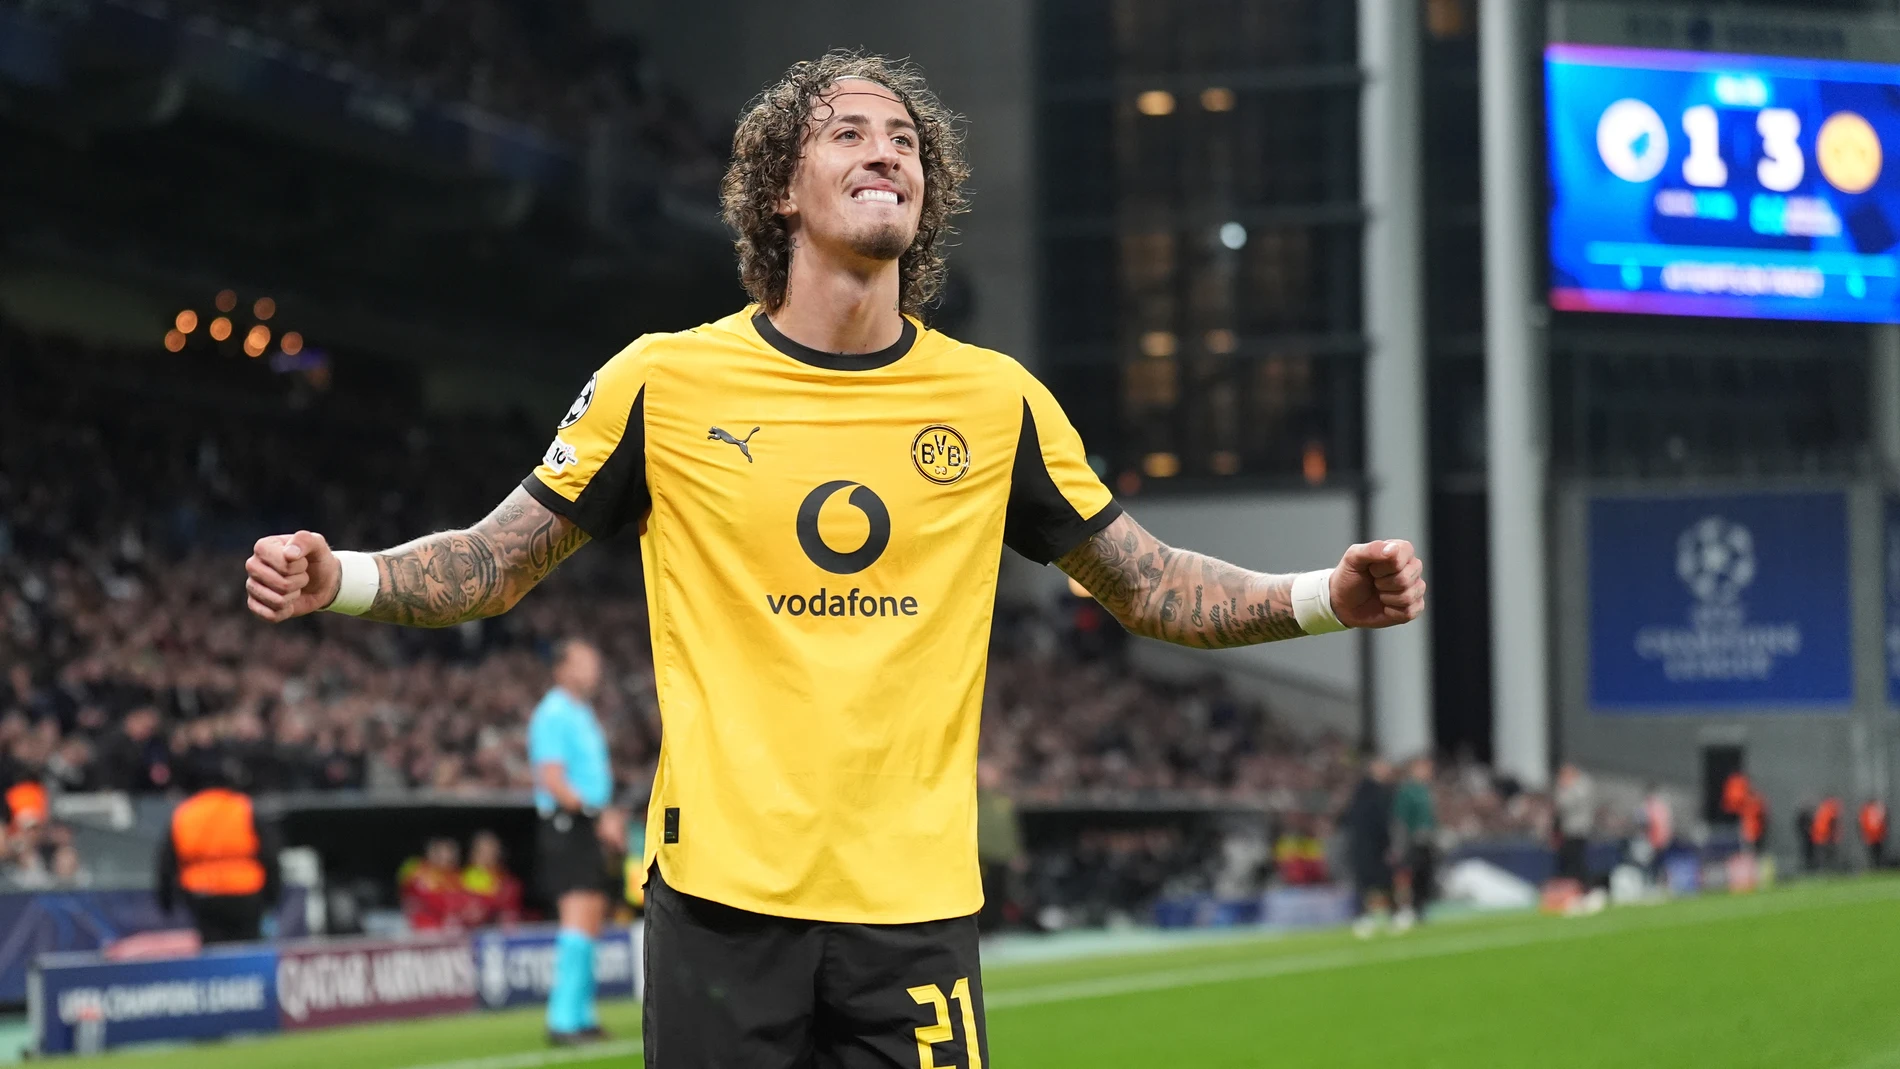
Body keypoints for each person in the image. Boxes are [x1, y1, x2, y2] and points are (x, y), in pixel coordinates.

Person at [239, 50, 1429, 1067]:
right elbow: (496, 560)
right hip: (721, 906)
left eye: (904, 139)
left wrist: (1323, 597)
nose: (885, 151)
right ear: (780, 190)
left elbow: (1149, 583)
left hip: (915, 911)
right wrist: (343, 576)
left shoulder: (996, 401)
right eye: (849, 132)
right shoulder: (663, 381)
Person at [527, 640, 620, 1046]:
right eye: (584, 662)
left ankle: (583, 1013)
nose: (593, 670)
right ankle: (562, 1019)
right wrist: (595, 815)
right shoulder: (553, 713)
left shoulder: (582, 712)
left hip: (589, 823)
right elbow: (552, 778)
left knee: (593, 917)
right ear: (561, 668)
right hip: (570, 823)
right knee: (577, 916)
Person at [154, 776, 281, 945]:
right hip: (246, 893)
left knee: (213, 949)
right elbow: (270, 854)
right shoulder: (243, 807)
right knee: (248, 948)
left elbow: (167, 861)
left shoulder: (185, 812)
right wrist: (273, 895)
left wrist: (166, 901)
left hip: (203, 894)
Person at [1343, 758, 1396, 938]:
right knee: (1369, 881)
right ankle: (1365, 916)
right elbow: (1377, 821)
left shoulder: (1372, 791)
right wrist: (1386, 842)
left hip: (1368, 844)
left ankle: (1386, 914)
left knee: (1381, 880)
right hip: (1367, 844)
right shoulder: (1369, 792)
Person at [974, 758, 1025, 931]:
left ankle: (994, 928)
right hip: (980, 857)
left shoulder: (1004, 802)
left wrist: (1016, 853)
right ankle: (983, 929)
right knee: (982, 894)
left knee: (1000, 893)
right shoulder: (973, 799)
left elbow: (1011, 830)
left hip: (1001, 857)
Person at [1392, 756, 1437, 929]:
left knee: (1424, 876)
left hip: (1426, 841)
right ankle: (1403, 909)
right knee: (1407, 877)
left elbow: (1430, 818)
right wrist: (1400, 844)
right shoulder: (1407, 791)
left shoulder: (1425, 790)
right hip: (1411, 842)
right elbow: (1401, 819)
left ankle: (1420, 909)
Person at [398, 837, 466, 931]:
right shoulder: (417, 870)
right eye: (442, 852)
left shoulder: (458, 876)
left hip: (448, 927)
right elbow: (411, 897)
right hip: (421, 926)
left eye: (451, 852)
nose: (447, 857)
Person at [463, 829, 525, 927]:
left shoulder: (509, 882)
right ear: (473, 853)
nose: (488, 856)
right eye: (483, 851)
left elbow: (510, 909)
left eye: (492, 851)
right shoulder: (460, 880)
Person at [1553, 763, 1596, 886]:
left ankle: (1582, 885)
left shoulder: (1579, 786)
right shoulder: (1579, 785)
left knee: (1576, 860)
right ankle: (1575, 885)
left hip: (1576, 829)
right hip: (1570, 829)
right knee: (1571, 860)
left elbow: (1565, 804)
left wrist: (1564, 787)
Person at [1813, 795, 1843, 871]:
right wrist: (1832, 836)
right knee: (1829, 854)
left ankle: (1824, 869)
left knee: (1823, 854)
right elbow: (1832, 823)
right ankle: (1830, 869)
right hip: (1827, 837)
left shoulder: (1822, 809)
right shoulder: (1830, 810)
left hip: (1820, 836)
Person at [1861, 799, 1889, 870]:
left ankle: (1877, 866)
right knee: (1873, 853)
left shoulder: (1876, 810)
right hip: (1872, 837)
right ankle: (1874, 866)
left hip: (1877, 836)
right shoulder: (1869, 811)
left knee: (1877, 853)